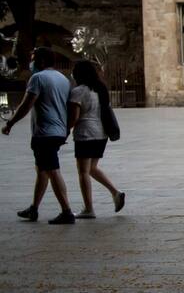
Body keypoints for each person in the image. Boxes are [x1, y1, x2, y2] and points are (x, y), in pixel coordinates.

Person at [2, 46, 75, 224]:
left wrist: (10, 123)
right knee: (42, 170)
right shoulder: (63, 79)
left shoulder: (38, 78)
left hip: (45, 133)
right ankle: (34, 208)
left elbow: (27, 104)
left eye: (33, 59)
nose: (31, 62)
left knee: (52, 170)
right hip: (58, 130)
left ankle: (67, 211)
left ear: (41, 61)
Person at [67, 60, 125, 219]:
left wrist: (65, 131)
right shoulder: (100, 90)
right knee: (92, 168)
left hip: (85, 134)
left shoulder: (78, 91)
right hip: (101, 134)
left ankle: (88, 208)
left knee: (83, 171)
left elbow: (74, 117)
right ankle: (116, 193)